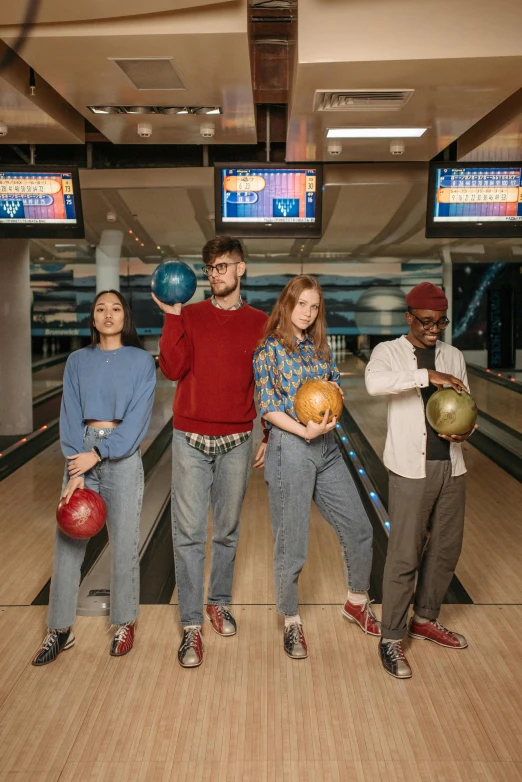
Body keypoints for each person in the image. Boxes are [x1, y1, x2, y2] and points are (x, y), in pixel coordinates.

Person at [154, 236, 267, 668]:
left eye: (223, 266)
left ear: (241, 268)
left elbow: (266, 381)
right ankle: (190, 627)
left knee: (226, 530)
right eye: (210, 268)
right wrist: (171, 318)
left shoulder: (260, 321)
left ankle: (218, 602)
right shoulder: (190, 314)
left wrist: (267, 435)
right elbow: (172, 369)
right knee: (187, 533)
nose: (215, 274)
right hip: (190, 438)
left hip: (237, 438)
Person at [253, 275, 380, 660]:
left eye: (314, 306)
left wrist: (336, 396)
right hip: (290, 448)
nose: (307, 312)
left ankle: (357, 601)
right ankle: (291, 621)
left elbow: (334, 388)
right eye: (301, 304)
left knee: (359, 528)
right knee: (292, 544)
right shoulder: (268, 351)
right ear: (287, 304)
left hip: (327, 447)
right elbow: (268, 406)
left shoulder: (321, 350)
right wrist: (303, 431)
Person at [32, 290, 156, 666]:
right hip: (80, 453)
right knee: (67, 545)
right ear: (92, 317)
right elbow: (69, 414)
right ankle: (59, 629)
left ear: (125, 317)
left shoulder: (141, 361)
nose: (108, 314)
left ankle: (124, 621)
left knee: (124, 544)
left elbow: (137, 419)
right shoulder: (76, 360)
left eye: (115, 308)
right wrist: (76, 466)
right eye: (101, 308)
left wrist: (99, 453)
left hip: (120, 456)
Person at [365, 281, 476, 679]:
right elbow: (374, 384)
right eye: (426, 321)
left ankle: (425, 618)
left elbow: (467, 405)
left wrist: (467, 432)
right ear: (409, 316)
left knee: (446, 548)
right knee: (404, 554)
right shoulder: (388, 352)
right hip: (411, 469)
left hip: (452, 466)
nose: (433, 329)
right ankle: (392, 637)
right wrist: (425, 373)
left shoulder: (455, 355)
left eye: (440, 322)